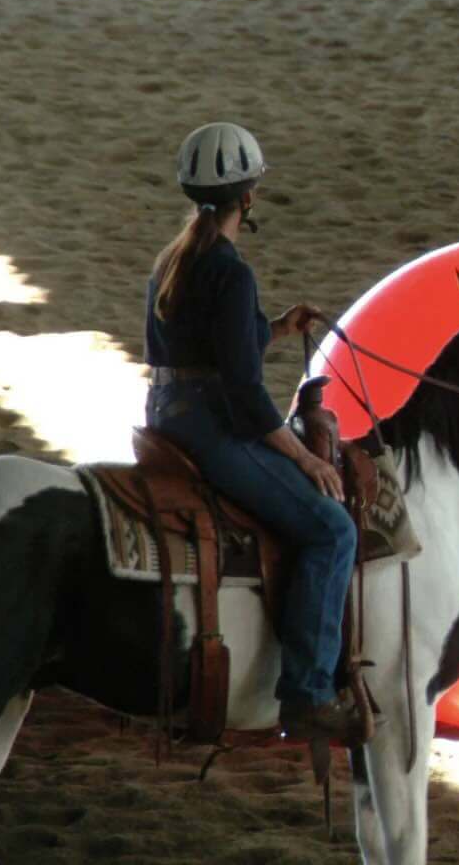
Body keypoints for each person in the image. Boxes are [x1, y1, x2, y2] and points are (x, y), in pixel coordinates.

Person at [143, 121, 360, 740]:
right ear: (248, 197)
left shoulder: (173, 260)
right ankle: (307, 694)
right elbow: (245, 395)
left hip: (165, 416)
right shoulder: (231, 272)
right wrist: (304, 457)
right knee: (332, 530)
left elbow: (205, 346)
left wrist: (275, 328)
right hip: (210, 429)